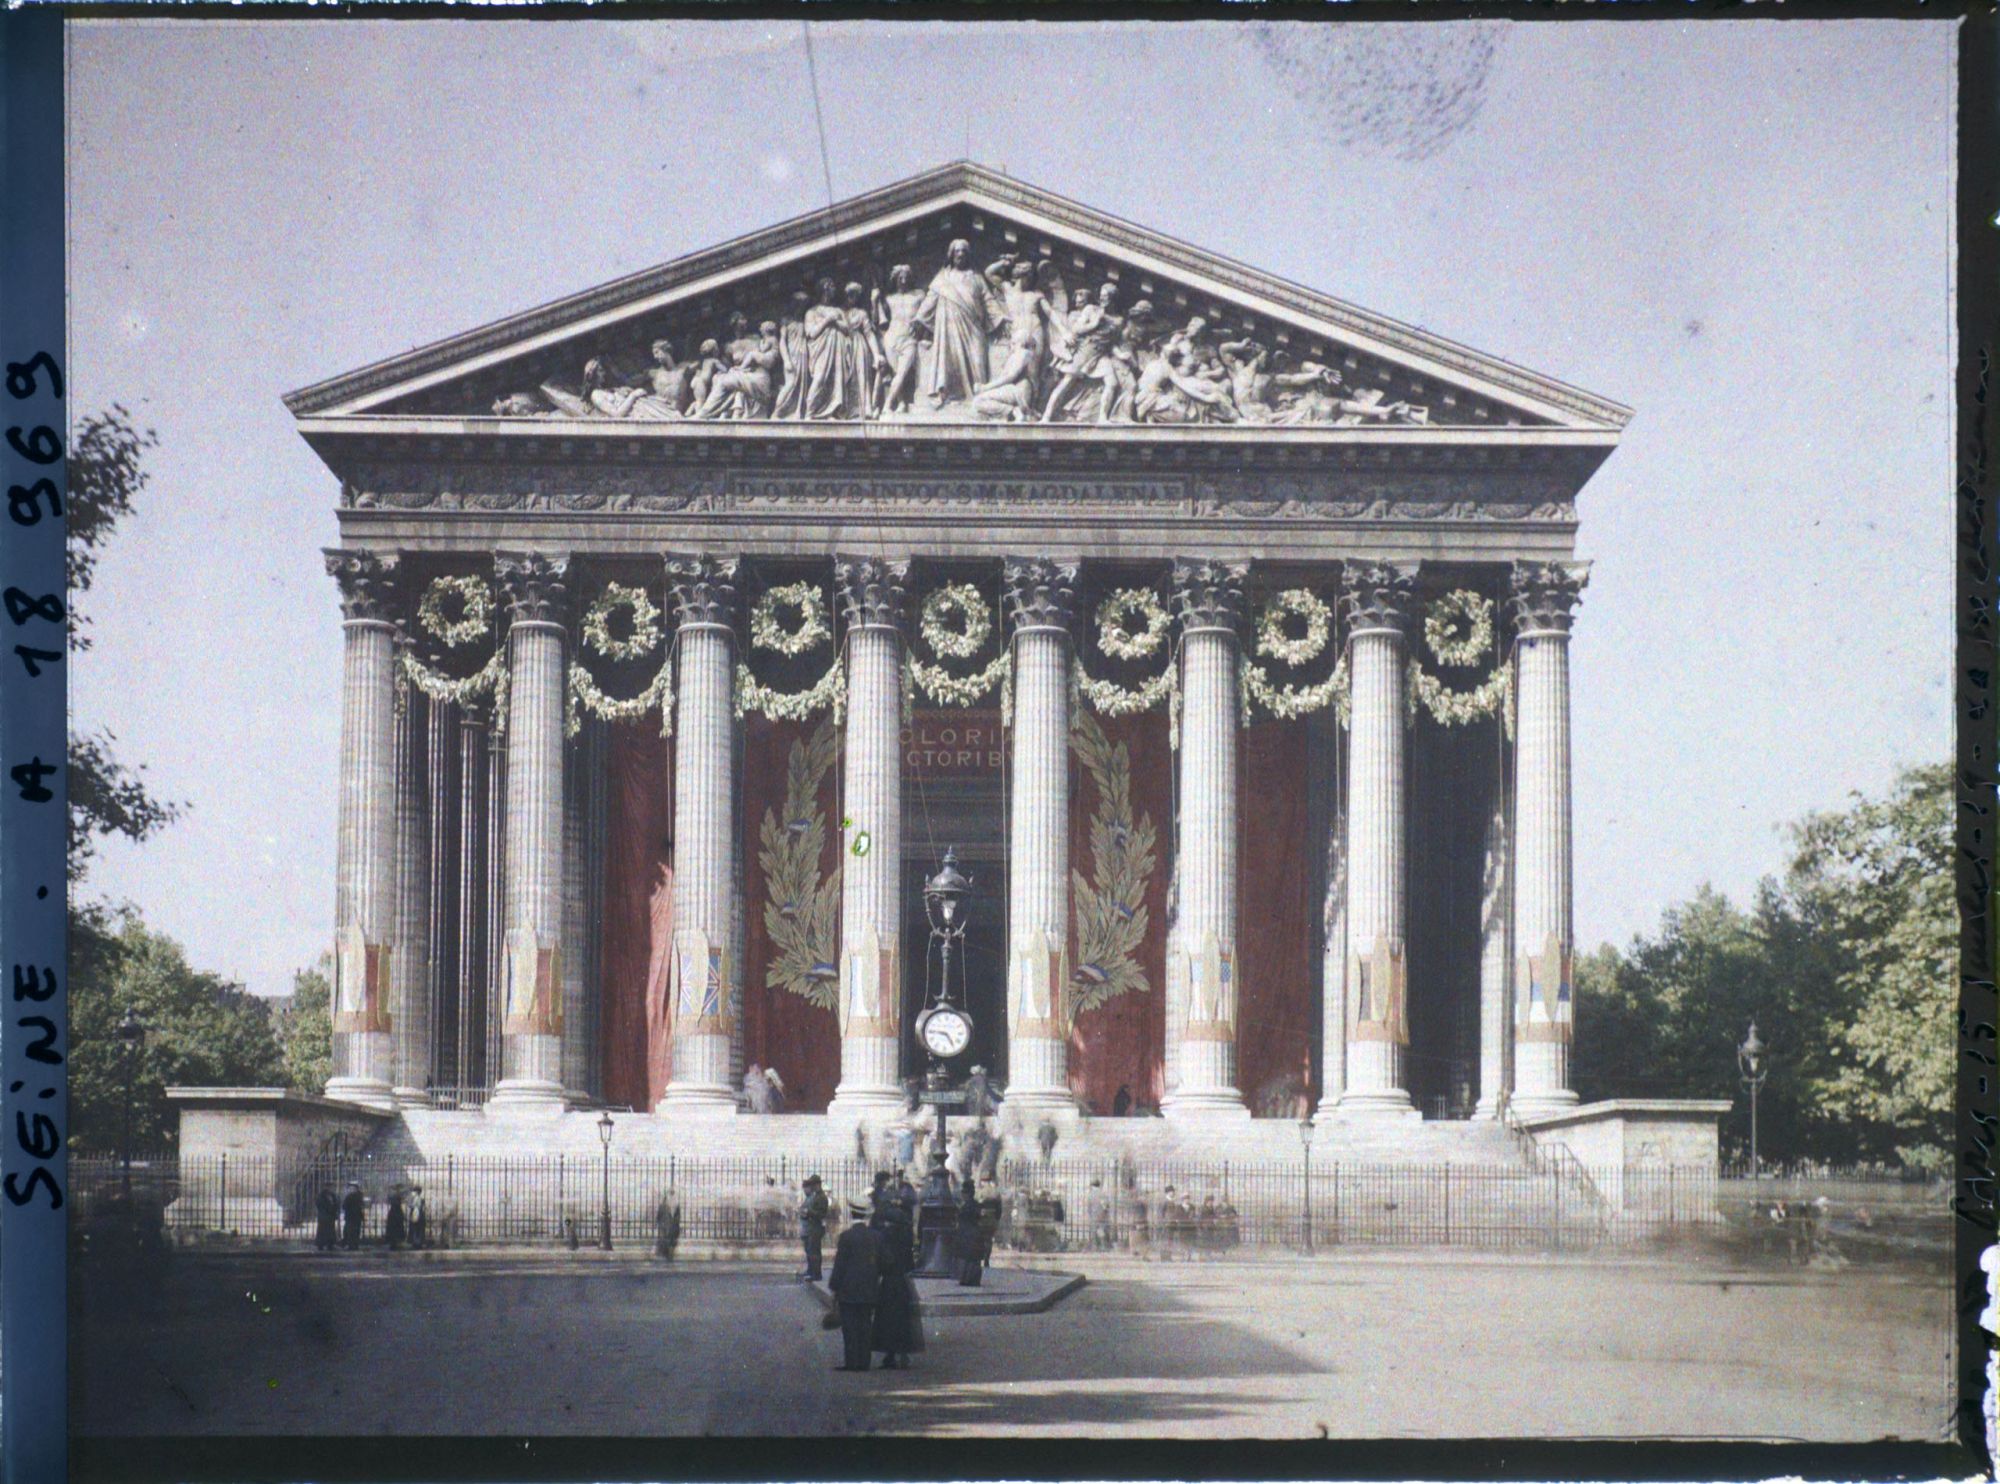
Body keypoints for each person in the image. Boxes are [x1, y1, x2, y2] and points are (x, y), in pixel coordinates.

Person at [827, 1200, 885, 1372]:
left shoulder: (846, 1237)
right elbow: (883, 1261)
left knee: (850, 1327)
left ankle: (852, 1362)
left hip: (848, 1288)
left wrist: (834, 1286)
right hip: (869, 1287)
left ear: (851, 1214)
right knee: (866, 1324)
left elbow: (840, 1264)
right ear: (866, 1215)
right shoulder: (876, 1236)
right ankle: (864, 1362)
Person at [870, 1201, 923, 1369]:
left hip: (888, 1283)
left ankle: (890, 1354)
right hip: (903, 1283)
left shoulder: (886, 1237)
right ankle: (904, 1354)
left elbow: (881, 1261)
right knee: (903, 1320)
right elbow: (911, 1265)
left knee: (887, 1319)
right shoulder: (906, 1238)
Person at [798, 1174, 830, 1282]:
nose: (811, 1187)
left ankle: (816, 1274)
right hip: (812, 1227)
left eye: (812, 1184)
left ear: (817, 1184)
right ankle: (812, 1271)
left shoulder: (821, 1197)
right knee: (811, 1251)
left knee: (815, 1252)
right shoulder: (816, 1196)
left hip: (816, 1227)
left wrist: (809, 1212)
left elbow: (821, 1214)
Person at [654, 1187, 682, 1261]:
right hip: (668, 1225)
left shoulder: (673, 1205)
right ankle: (669, 1255)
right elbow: (659, 1216)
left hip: (670, 1225)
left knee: (670, 1240)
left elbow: (658, 1216)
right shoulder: (667, 1205)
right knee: (669, 1240)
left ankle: (669, 1254)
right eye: (671, 1194)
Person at [339, 1182, 365, 1251]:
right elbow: (362, 1205)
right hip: (357, 1216)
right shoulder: (360, 1196)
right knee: (355, 1231)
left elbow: (344, 1206)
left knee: (350, 1231)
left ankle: (350, 1245)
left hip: (350, 1216)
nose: (351, 1189)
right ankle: (354, 1245)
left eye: (352, 1188)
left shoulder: (350, 1196)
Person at [314, 1187, 338, 1253]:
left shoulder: (332, 1196)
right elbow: (322, 1206)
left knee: (329, 1231)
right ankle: (321, 1244)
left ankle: (329, 1244)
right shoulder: (321, 1197)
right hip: (324, 1217)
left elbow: (335, 1205)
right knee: (323, 1231)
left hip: (328, 1217)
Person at [407, 1186, 428, 1251]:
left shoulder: (416, 1199)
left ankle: (416, 1242)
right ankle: (417, 1242)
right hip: (419, 1215)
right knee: (418, 1229)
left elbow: (411, 1205)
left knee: (416, 1229)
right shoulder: (420, 1199)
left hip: (416, 1214)